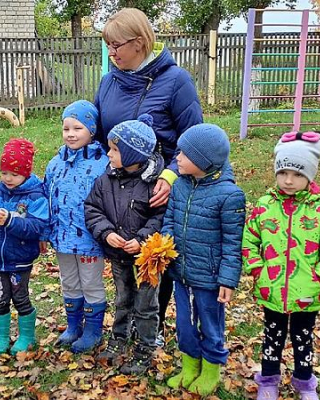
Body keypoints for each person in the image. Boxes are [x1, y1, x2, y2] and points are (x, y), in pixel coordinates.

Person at [95, 8, 205, 345]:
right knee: (122, 257)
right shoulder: (109, 82)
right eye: (108, 46)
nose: (111, 53)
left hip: (159, 185)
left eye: (116, 46)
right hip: (119, 185)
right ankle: (127, 321)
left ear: (140, 42)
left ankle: (151, 325)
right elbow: (102, 134)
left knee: (151, 257)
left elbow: (193, 138)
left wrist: (170, 176)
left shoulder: (176, 81)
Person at [242, 131, 320, 400]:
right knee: (272, 336)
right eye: (283, 172)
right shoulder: (265, 207)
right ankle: (268, 380)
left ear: (310, 176)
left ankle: (304, 381)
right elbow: (249, 239)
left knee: (303, 337)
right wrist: (257, 269)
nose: (288, 180)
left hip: (307, 290)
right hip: (272, 288)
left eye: (298, 174)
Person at [162, 124, 245, 396]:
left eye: (184, 154)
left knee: (210, 323)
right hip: (181, 272)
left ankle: (210, 371)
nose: (178, 158)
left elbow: (233, 243)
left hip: (210, 278)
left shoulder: (230, 196)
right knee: (184, 324)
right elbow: (169, 221)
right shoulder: (180, 185)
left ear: (203, 160)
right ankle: (189, 366)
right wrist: (163, 245)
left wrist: (227, 279)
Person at [84, 114, 166, 375]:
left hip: (146, 261)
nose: (109, 154)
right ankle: (119, 339)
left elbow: (161, 218)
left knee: (146, 305)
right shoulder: (106, 179)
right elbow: (92, 208)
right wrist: (106, 233)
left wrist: (141, 240)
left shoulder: (155, 185)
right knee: (122, 299)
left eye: (115, 150)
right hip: (119, 257)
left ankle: (144, 348)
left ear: (133, 155)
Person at [0, 138, 48, 356]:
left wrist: (10, 221)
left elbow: (37, 227)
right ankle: (3, 336)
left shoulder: (35, 196)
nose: (8, 178)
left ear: (25, 172)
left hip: (20, 258)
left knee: (20, 297)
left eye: (14, 174)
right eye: (4, 173)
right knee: (0, 297)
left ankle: (27, 337)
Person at [42, 100, 109, 352]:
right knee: (69, 281)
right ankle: (73, 326)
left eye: (77, 128)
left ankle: (93, 330)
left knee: (91, 283)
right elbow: (46, 197)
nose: (71, 134)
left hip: (89, 239)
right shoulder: (55, 163)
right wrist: (45, 231)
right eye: (66, 128)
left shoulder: (103, 164)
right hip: (61, 236)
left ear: (91, 130)